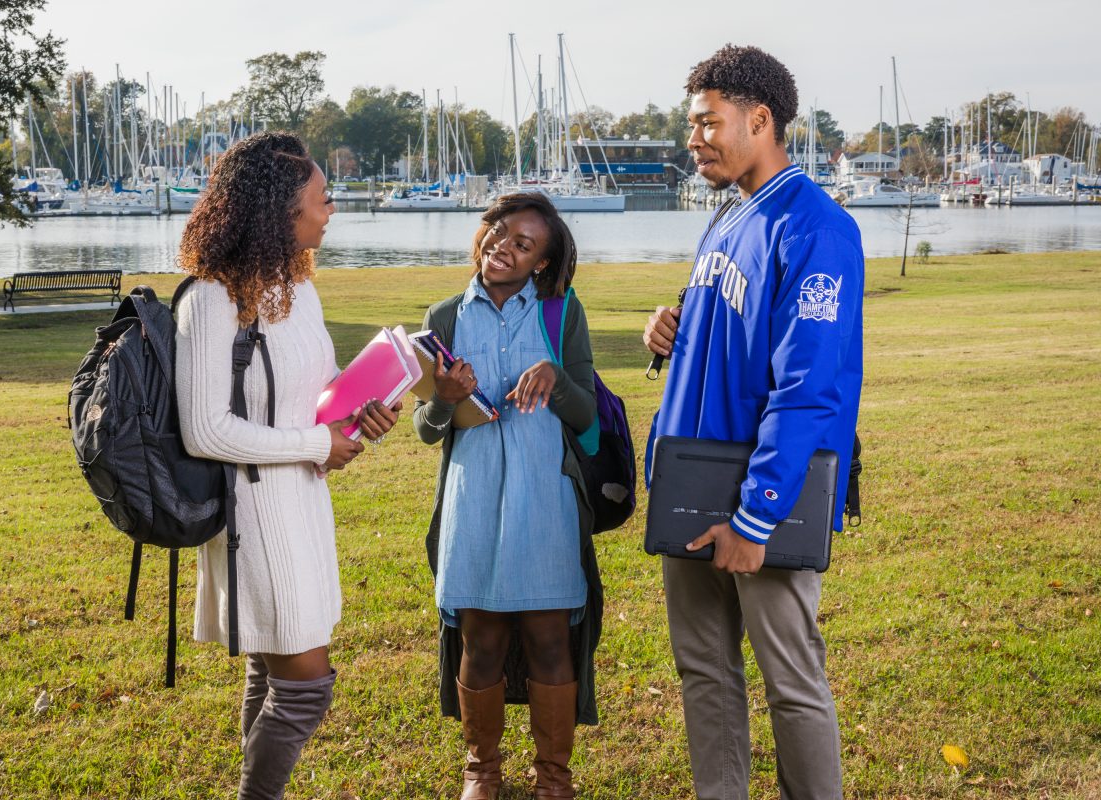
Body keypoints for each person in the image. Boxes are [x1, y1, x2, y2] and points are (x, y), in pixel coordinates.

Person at [642, 45, 864, 800]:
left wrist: (757, 515)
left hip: (762, 500)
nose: (693, 139)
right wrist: (670, 330)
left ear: (760, 119)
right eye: (692, 124)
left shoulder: (817, 228)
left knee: (789, 678)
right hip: (692, 484)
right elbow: (730, 334)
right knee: (704, 670)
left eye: (708, 123)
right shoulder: (726, 217)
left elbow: (808, 389)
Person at [174, 131, 401, 800]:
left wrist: (360, 414)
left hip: (303, 500)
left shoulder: (296, 289)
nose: (331, 210)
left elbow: (314, 392)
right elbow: (205, 429)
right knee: (305, 684)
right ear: (280, 208)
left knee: (272, 671)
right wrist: (316, 445)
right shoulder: (211, 298)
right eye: (322, 198)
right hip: (251, 511)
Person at [412, 192, 602, 800]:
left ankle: (554, 778)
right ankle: (481, 771)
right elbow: (426, 430)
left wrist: (557, 379)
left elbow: (589, 421)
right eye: (498, 233)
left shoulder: (561, 314)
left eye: (523, 244)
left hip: (545, 500)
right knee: (481, 636)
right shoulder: (444, 317)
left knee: (549, 636)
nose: (503, 248)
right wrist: (444, 398)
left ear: (541, 262)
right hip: (471, 501)